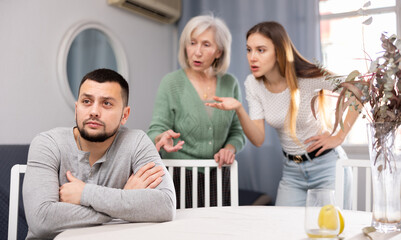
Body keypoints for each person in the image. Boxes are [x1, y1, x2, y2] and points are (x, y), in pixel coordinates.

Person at [207, 21, 356, 206]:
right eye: (249, 50)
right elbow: (258, 139)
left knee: (329, 232)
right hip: (292, 172)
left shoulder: (307, 76)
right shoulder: (253, 84)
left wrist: (339, 136)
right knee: (282, 230)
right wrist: (238, 108)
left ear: (279, 52)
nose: (252, 57)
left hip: (326, 167)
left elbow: (358, 89)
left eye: (261, 50)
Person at [23, 68, 176, 239]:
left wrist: (85, 193)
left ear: (124, 115)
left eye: (107, 103)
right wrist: (126, 200)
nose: (94, 111)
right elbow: (41, 221)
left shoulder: (137, 142)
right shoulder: (47, 143)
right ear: (76, 109)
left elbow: (166, 205)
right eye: (87, 101)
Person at [147, 15, 245, 208]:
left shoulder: (230, 84)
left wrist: (229, 149)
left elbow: (237, 131)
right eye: (192, 43)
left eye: (206, 45)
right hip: (181, 175)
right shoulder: (171, 83)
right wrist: (161, 138)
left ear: (219, 51)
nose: (197, 52)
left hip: (219, 174)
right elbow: (156, 129)